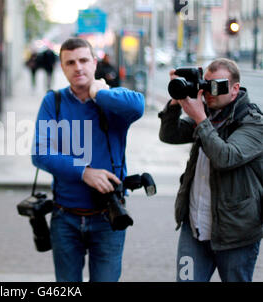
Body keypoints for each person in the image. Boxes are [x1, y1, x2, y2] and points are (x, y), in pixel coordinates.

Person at [32, 38, 144, 282]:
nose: (78, 67)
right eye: (70, 62)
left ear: (95, 63)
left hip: (109, 218)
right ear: (62, 68)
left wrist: (99, 93)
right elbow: (40, 153)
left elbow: (138, 106)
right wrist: (84, 172)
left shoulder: (112, 100)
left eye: (84, 60)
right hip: (65, 217)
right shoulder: (54, 101)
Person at [158, 58, 262, 282]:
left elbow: (226, 157)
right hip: (194, 228)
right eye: (206, 85)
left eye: (217, 86)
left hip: (236, 235)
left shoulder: (254, 123)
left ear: (235, 89)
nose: (209, 92)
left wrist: (199, 118)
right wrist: (176, 104)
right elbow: (169, 135)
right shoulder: (207, 116)